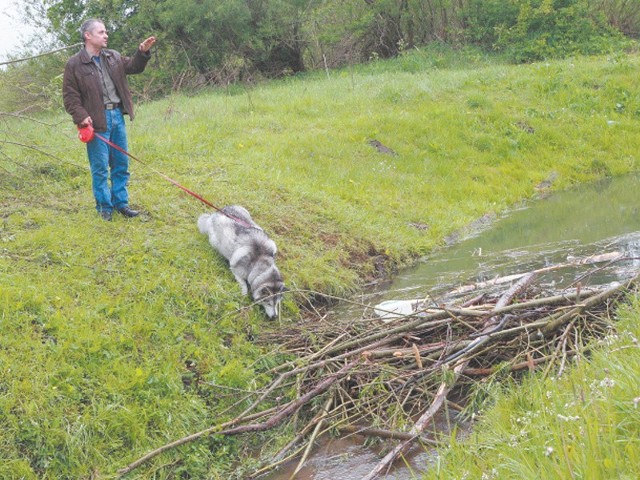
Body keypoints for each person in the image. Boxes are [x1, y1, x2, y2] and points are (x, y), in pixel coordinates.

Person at [63, 19, 156, 221]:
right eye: (102, 32)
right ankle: (105, 208)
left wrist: (142, 53)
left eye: (106, 32)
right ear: (88, 35)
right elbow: (70, 97)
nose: (106, 35)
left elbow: (133, 67)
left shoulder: (112, 56)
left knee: (121, 164)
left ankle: (121, 204)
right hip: (96, 121)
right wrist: (81, 117)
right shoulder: (74, 64)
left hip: (117, 117)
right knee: (100, 168)